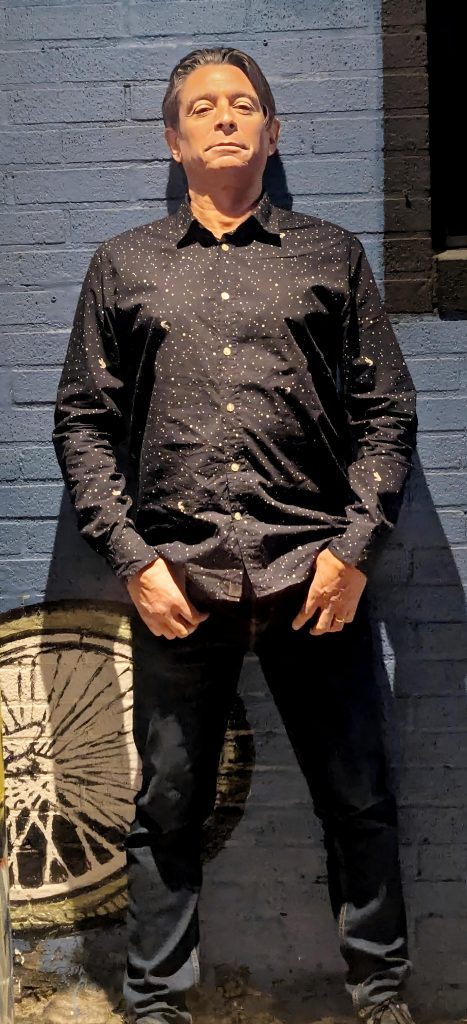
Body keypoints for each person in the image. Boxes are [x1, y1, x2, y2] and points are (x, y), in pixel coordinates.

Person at [52, 47, 417, 1024]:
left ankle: (379, 994)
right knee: (167, 810)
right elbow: (83, 421)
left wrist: (353, 551)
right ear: (173, 140)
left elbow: (385, 412)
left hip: (313, 577)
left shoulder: (330, 255)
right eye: (203, 108)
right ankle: (156, 1004)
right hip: (178, 583)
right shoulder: (123, 264)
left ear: (272, 132)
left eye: (243, 104)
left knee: (357, 799)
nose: (224, 117)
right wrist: (131, 560)